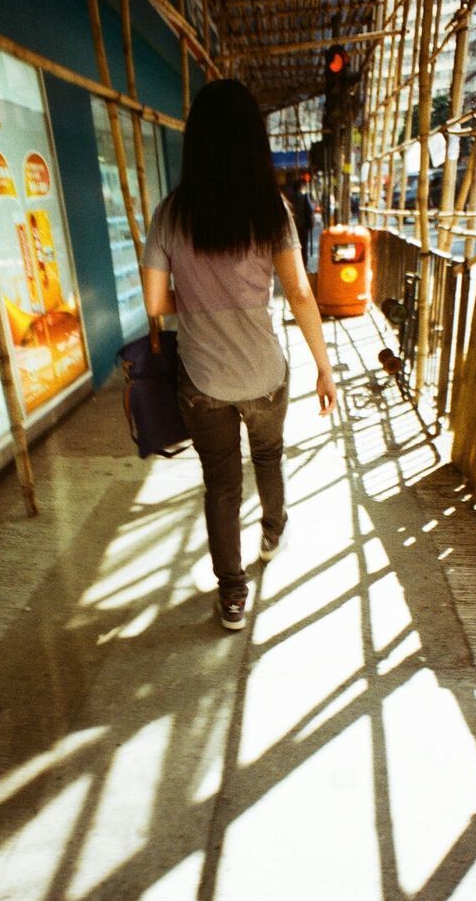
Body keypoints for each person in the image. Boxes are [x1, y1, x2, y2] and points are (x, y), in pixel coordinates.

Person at [141, 79, 337, 632]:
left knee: (221, 485)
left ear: (196, 140)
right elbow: (299, 294)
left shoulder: (170, 213)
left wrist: (200, 299)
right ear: (253, 138)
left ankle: (231, 595)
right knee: (270, 457)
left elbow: (156, 302)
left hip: (202, 382)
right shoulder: (270, 209)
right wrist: (323, 367)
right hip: (265, 375)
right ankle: (272, 532)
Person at [293, 180, 314, 262]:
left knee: (294, 247)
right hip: (303, 227)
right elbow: (310, 211)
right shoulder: (304, 197)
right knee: (303, 246)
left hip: (293, 227)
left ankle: (296, 262)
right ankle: (303, 264)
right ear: (301, 187)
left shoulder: (289, 198)